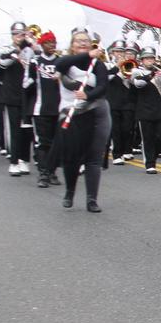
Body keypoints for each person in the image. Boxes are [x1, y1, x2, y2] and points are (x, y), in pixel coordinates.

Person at [53, 29, 112, 211]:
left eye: (86, 40)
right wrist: (86, 55)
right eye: (78, 41)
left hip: (96, 112)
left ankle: (91, 199)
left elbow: (103, 86)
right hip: (71, 115)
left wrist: (88, 95)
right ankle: (70, 192)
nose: (83, 43)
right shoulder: (66, 64)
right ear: (72, 45)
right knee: (72, 157)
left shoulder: (98, 65)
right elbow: (60, 64)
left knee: (94, 157)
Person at [0, 22, 35, 176]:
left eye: (22, 33)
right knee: (14, 129)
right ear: (12, 35)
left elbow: (35, 64)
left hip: (28, 94)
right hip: (11, 94)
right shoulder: (6, 49)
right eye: (16, 34)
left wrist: (31, 45)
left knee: (27, 129)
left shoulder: (30, 49)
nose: (19, 36)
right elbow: (4, 62)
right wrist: (18, 48)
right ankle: (14, 161)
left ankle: (24, 160)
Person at [27, 30, 63, 187]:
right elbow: (25, 84)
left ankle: (52, 172)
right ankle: (43, 173)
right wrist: (31, 77)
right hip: (41, 109)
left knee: (57, 143)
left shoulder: (61, 62)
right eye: (49, 43)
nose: (52, 45)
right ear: (42, 45)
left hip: (59, 108)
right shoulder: (35, 62)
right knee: (43, 143)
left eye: (54, 42)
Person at [130, 48, 161, 174]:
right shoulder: (136, 71)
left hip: (160, 109)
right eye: (147, 59)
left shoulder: (159, 72)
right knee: (147, 138)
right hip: (145, 110)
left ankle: (156, 151)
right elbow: (138, 84)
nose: (150, 61)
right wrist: (151, 75)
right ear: (142, 60)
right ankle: (150, 164)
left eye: (151, 58)